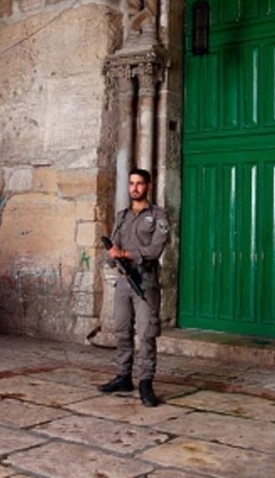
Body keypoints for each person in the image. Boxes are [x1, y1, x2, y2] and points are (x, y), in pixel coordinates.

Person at [97, 168, 169, 407]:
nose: (134, 188)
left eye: (139, 183)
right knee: (122, 330)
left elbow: (155, 250)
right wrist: (113, 257)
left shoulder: (158, 215)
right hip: (123, 281)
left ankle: (146, 382)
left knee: (146, 333)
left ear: (148, 186)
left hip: (145, 282)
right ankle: (123, 376)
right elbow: (112, 248)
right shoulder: (122, 216)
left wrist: (126, 254)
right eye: (131, 183)